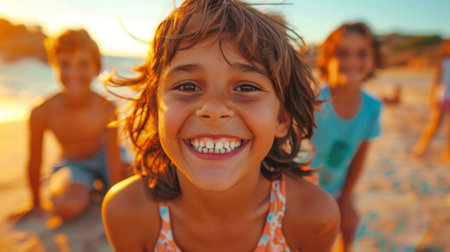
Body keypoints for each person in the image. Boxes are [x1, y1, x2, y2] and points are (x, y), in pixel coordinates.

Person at [102, 0, 340, 251]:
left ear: (281, 118)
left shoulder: (313, 216)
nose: (214, 110)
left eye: (246, 87)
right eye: (187, 86)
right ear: (155, 112)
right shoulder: (127, 212)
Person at [10, 29, 127, 221]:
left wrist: (115, 197)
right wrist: (35, 204)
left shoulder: (107, 108)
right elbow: (35, 160)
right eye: (65, 65)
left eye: (83, 65)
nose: (73, 73)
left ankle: (103, 189)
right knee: (66, 207)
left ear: (96, 68)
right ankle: (85, 188)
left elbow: (113, 156)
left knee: (139, 183)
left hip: (105, 158)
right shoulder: (42, 111)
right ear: (54, 66)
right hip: (73, 164)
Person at [310, 22, 383, 251]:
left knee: (350, 225)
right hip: (301, 187)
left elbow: (360, 156)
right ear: (327, 59)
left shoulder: (372, 106)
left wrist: (346, 197)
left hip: (339, 186)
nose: (352, 61)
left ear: (373, 59)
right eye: (342, 53)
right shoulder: (311, 101)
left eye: (362, 53)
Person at [413, 39, 450, 162]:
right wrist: (432, 97)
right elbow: (436, 80)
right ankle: (421, 147)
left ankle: (447, 153)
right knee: (434, 126)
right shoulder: (443, 61)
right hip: (442, 97)